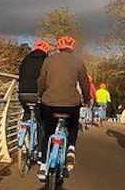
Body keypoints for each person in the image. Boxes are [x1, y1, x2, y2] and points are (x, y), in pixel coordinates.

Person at [37, 35, 89, 181]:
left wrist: (41, 95)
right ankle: (71, 147)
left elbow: (41, 81)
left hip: (50, 103)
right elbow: (85, 83)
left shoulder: (49, 60)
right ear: (72, 47)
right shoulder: (78, 62)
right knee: (73, 126)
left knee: (48, 132)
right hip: (71, 105)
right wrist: (87, 99)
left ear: (58, 47)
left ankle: (42, 167)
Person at [18, 40, 51, 121]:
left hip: (22, 94)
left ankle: (23, 128)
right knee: (41, 120)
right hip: (38, 95)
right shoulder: (47, 61)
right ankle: (40, 132)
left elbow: (20, 73)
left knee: (27, 112)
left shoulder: (26, 59)